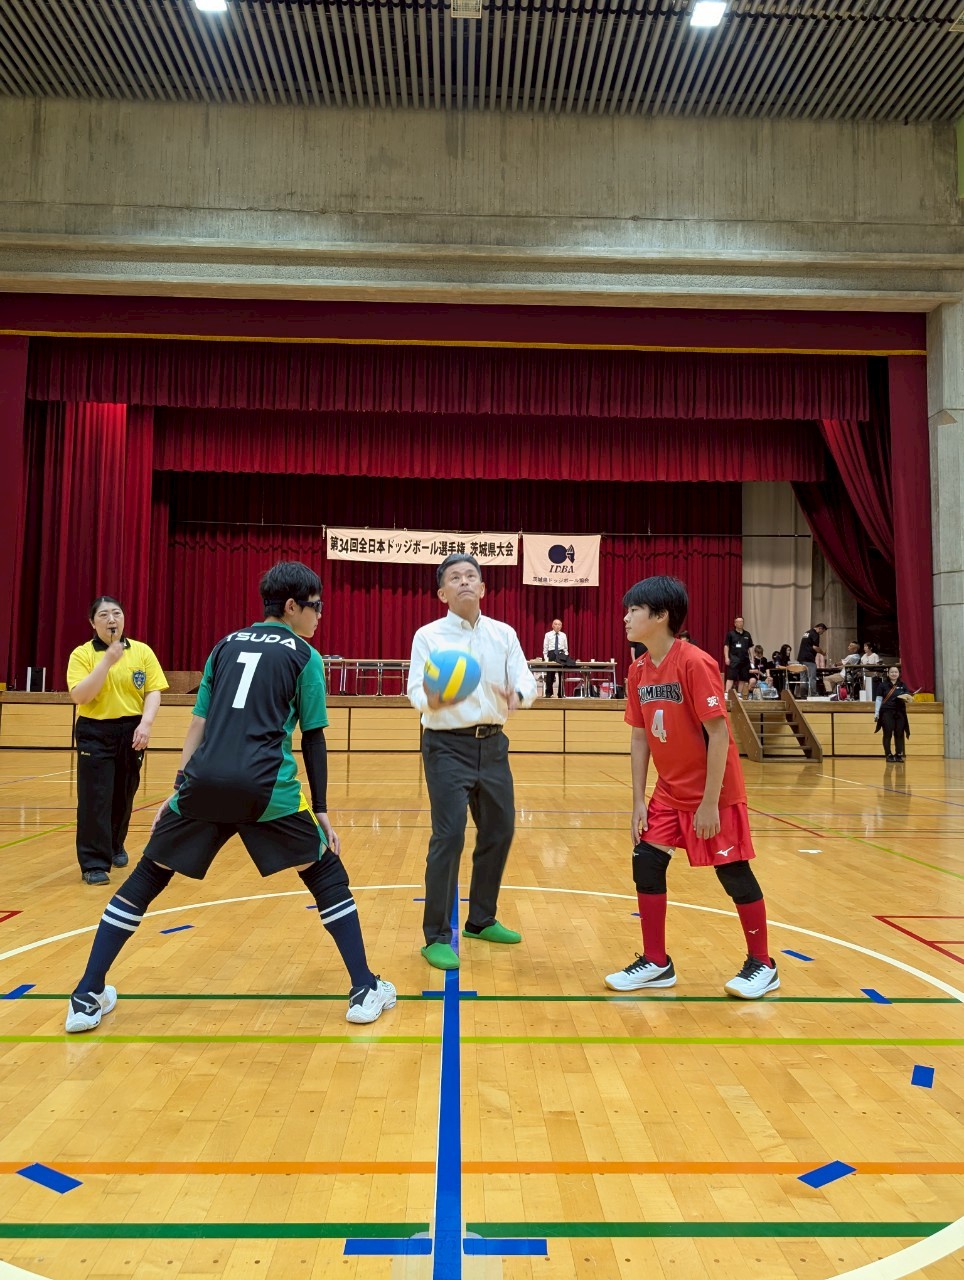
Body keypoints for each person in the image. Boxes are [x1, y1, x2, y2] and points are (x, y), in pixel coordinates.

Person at [65, 562, 395, 1033]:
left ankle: (85, 995)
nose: (320, 615)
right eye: (316, 606)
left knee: (147, 877)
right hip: (265, 786)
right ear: (292, 606)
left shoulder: (223, 645)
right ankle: (364, 988)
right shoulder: (305, 655)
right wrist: (321, 810)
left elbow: (198, 722)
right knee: (326, 874)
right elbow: (314, 737)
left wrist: (179, 787)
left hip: (203, 782)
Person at [606, 575, 779, 1000]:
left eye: (634, 610)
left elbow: (719, 735)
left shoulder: (695, 662)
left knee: (733, 871)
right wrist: (638, 801)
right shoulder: (637, 670)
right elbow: (640, 737)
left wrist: (709, 803)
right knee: (646, 862)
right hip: (669, 791)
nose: (626, 617)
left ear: (661, 616)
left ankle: (763, 964)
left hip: (715, 793)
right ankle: (656, 962)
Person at [408, 553, 537, 971]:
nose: (464, 581)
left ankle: (480, 920)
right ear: (442, 593)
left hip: (493, 745)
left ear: (482, 587)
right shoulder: (428, 636)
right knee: (449, 837)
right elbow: (415, 691)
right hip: (446, 746)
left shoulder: (504, 634)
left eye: (470, 576)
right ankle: (435, 936)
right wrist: (433, 698)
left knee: (500, 830)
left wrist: (519, 695)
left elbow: (526, 679)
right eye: (454, 578)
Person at [67, 597, 169, 886]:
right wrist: (107, 662)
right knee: (95, 797)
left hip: (131, 729)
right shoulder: (82, 655)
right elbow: (81, 696)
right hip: (95, 731)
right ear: (93, 622)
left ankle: (114, 844)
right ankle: (93, 863)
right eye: (103, 615)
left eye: (116, 613)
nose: (111, 619)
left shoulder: (142, 651)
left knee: (124, 794)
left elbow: (153, 690)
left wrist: (146, 724)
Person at [875, 664, 913, 762]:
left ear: (899, 673)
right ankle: (888, 754)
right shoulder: (883, 685)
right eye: (892, 672)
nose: (894, 674)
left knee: (899, 733)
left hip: (900, 712)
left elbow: (908, 697)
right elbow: (879, 699)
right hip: (886, 712)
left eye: (896, 672)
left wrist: (907, 698)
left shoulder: (903, 685)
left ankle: (899, 754)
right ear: (888, 673)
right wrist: (876, 713)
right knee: (887, 733)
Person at [542, 617, 577, 698]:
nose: (557, 626)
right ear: (552, 625)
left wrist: (566, 656)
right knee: (550, 674)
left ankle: (560, 693)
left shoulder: (563, 635)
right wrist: (546, 657)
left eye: (559, 624)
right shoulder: (548, 634)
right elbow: (545, 647)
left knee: (561, 674)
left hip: (561, 654)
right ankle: (549, 693)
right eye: (556, 624)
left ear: (561, 626)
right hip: (551, 653)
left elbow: (565, 648)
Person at [723, 616, 753, 698]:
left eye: (742, 621)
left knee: (743, 678)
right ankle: (726, 693)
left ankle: (739, 694)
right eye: (738, 622)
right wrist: (726, 657)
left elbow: (750, 647)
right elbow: (726, 646)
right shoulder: (730, 634)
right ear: (735, 623)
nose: (740, 623)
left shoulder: (747, 634)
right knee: (731, 677)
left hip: (745, 660)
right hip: (734, 659)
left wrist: (752, 658)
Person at [796, 622, 827, 698]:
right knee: (812, 677)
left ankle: (803, 695)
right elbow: (815, 647)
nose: (821, 634)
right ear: (820, 628)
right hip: (809, 658)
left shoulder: (807, 632)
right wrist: (823, 653)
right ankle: (813, 694)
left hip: (801, 658)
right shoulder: (815, 634)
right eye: (822, 632)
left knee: (803, 677)